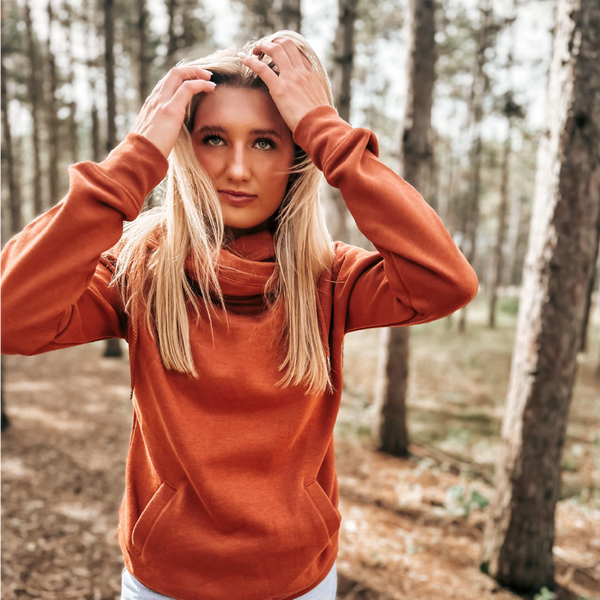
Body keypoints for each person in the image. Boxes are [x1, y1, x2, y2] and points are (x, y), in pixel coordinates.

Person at [0, 29, 478, 600]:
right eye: (213, 138)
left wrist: (328, 133)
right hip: (166, 583)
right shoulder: (139, 272)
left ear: (299, 155)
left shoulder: (329, 280)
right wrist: (135, 157)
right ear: (184, 146)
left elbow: (446, 282)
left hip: (298, 582)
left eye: (266, 143)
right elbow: (10, 314)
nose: (236, 168)